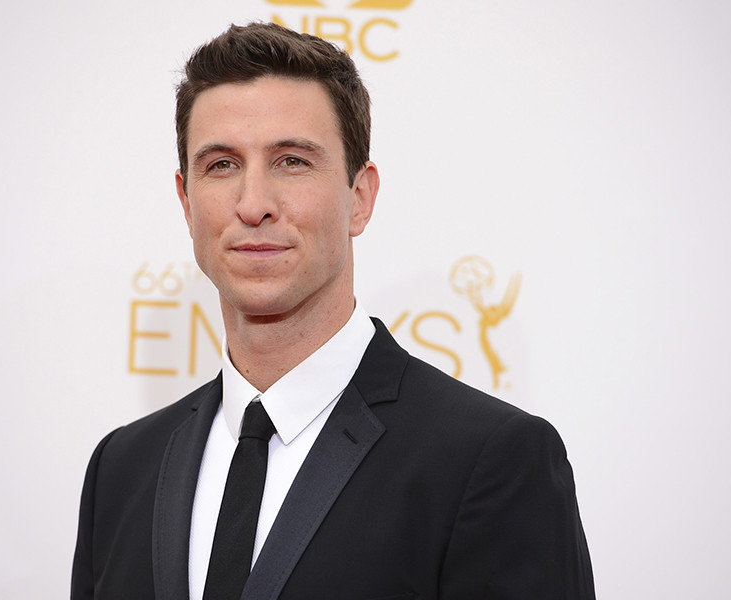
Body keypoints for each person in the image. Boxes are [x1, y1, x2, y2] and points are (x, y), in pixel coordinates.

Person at [71, 22, 595, 600]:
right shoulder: (121, 469)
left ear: (360, 198)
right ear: (186, 202)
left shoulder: (491, 460)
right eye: (221, 165)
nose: (253, 205)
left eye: (292, 161)